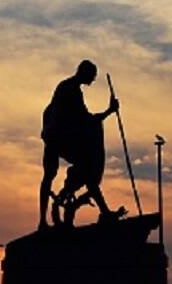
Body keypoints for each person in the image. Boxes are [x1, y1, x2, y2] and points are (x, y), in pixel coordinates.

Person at [39, 60, 122, 230]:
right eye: (92, 76)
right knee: (86, 167)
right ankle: (46, 217)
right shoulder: (72, 91)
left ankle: (46, 217)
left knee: (52, 175)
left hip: (54, 136)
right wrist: (109, 111)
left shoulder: (66, 87)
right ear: (85, 73)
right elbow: (87, 120)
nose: (93, 80)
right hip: (59, 138)